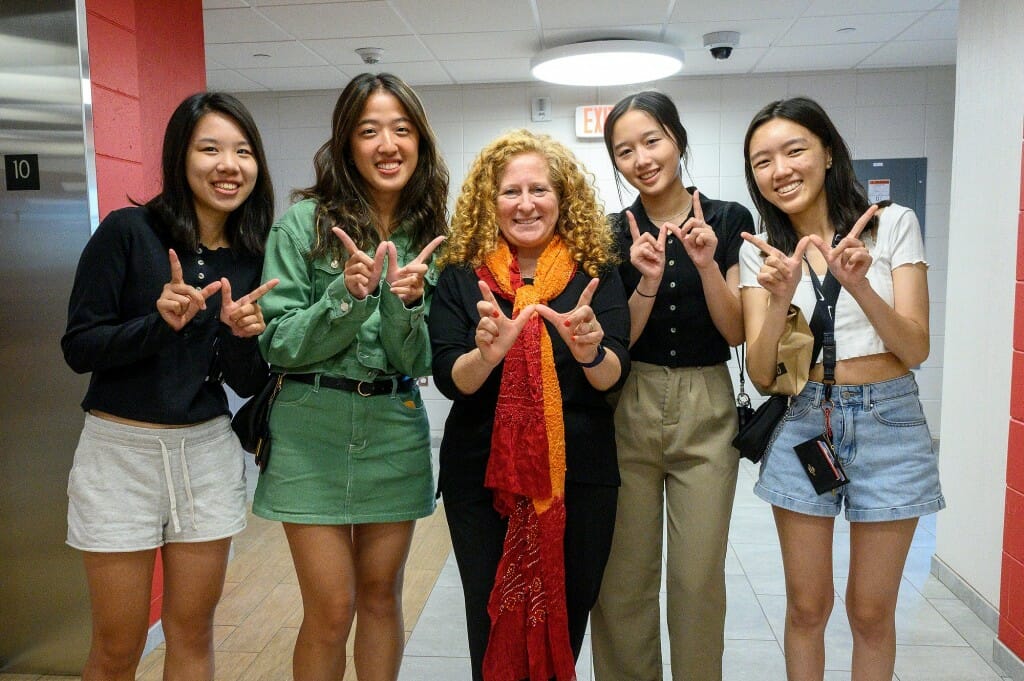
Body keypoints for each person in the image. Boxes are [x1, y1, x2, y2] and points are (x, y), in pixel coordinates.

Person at [61, 92, 277, 681]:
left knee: (192, 632)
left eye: (242, 150)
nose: (228, 165)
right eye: (210, 148)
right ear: (180, 157)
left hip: (206, 454)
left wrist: (237, 336)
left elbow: (248, 381)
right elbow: (79, 347)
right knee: (118, 642)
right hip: (119, 455)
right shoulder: (128, 232)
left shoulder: (253, 257)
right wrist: (157, 325)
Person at [738, 96, 944, 680]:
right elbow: (761, 372)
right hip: (805, 418)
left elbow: (915, 348)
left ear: (827, 153)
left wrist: (858, 286)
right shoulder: (762, 253)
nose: (780, 170)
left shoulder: (891, 224)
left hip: (891, 421)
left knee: (871, 612)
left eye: (794, 150)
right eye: (762, 161)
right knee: (808, 607)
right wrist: (778, 297)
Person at [251, 72, 448, 681]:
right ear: (345, 143)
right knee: (331, 608)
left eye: (401, 128)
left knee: (381, 596)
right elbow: (277, 343)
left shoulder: (433, 234)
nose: (387, 143)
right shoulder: (302, 224)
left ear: (419, 141)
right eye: (369, 131)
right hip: (311, 430)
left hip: (394, 427)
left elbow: (420, 363)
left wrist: (404, 305)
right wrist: (345, 294)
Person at [429, 129, 630, 681]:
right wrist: (486, 356)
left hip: (580, 477)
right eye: (509, 192)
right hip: (482, 481)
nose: (525, 204)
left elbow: (615, 372)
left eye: (538, 189)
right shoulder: (460, 276)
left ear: (562, 198)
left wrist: (590, 353)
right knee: (491, 614)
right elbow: (452, 379)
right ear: (487, 204)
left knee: (566, 614)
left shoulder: (595, 271)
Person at [590, 90, 752, 681]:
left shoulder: (731, 218)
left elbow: (736, 331)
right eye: (624, 150)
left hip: (706, 405)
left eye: (652, 141)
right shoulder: (609, 233)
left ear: (678, 140)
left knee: (697, 576)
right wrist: (646, 280)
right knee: (623, 578)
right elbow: (614, 343)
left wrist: (706, 263)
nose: (642, 158)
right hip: (627, 402)